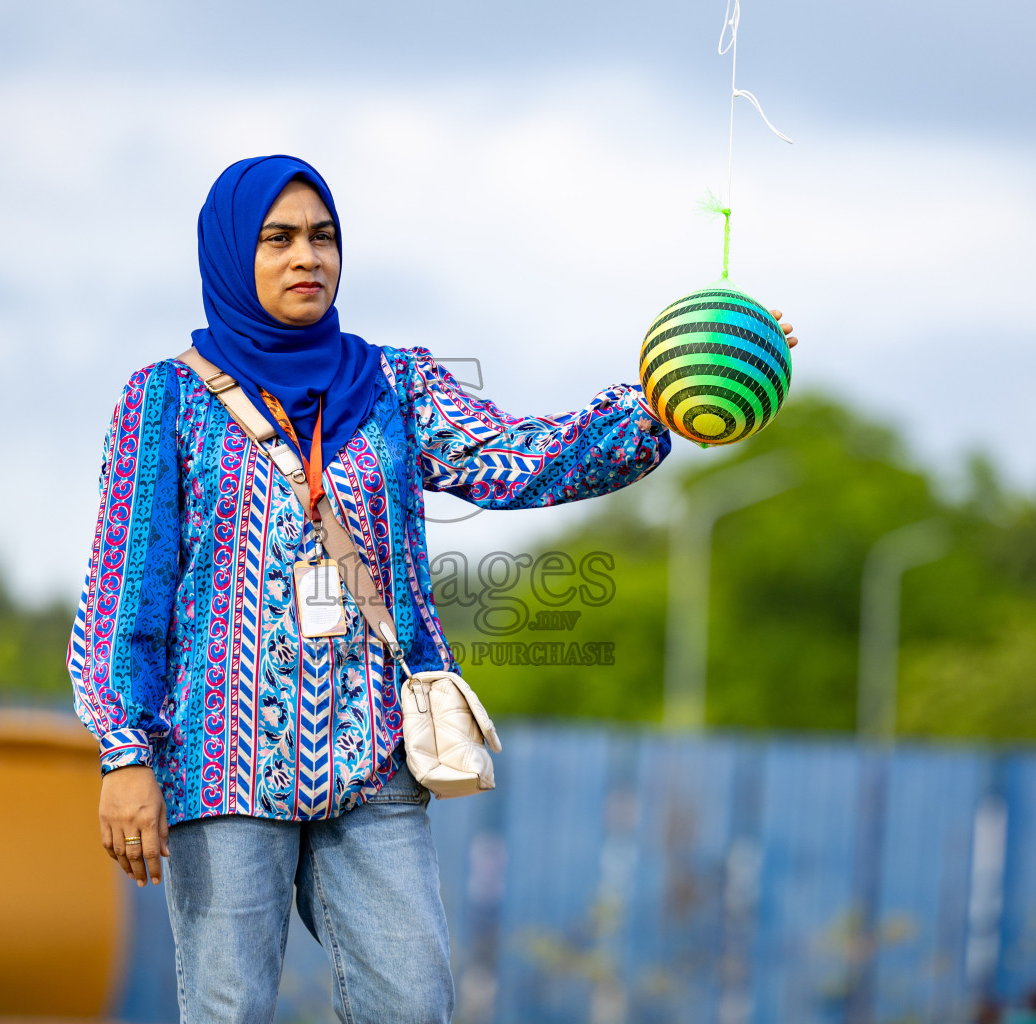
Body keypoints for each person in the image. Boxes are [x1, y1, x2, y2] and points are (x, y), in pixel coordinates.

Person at [68, 154, 796, 1024]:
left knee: (413, 1003)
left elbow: (520, 460)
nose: (309, 257)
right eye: (279, 239)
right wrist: (125, 753)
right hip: (219, 762)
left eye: (324, 237)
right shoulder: (164, 401)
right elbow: (126, 591)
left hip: (374, 749)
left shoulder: (395, 385)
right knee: (228, 1010)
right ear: (231, 254)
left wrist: (663, 395)